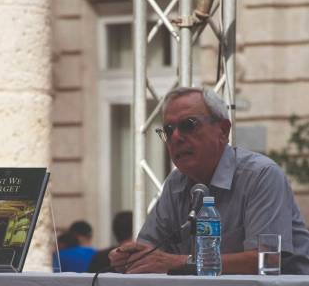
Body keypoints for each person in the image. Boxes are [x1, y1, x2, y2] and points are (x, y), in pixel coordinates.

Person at [108, 87, 309, 275]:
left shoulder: (261, 175)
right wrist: (131, 256)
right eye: (168, 130)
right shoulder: (175, 183)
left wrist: (180, 262)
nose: (176, 137)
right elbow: (150, 251)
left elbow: (268, 260)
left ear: (223, 130)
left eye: (188, 125)